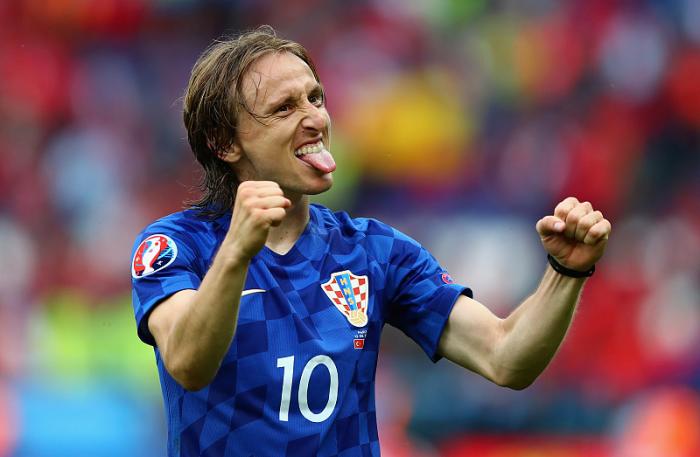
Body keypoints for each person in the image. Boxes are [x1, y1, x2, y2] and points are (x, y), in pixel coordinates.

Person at [130, 26, 611, 457]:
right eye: (284, 108)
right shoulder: (175, 246)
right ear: (224, 142)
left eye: (315, 98)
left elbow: (505, 357)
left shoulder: (375, 252)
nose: (315, 119)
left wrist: (566, 272)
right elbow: (188, 364)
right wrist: (237, 252)